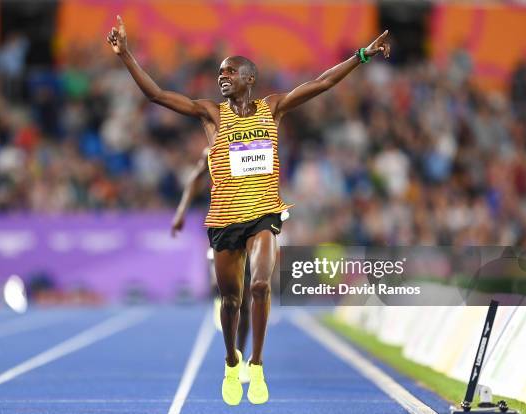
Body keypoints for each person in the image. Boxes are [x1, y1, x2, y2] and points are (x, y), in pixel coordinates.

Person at [107, 16, 390, 405]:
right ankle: (231, 360)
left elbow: (322, 82)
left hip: (263, 215)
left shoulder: (273, 108)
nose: (222, 77)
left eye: (230, 72)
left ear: (249, 79)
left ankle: (256, 364)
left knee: (259, 284)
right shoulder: (211, 114)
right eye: (220, 73)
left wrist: (361, 55)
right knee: (231, 302)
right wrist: (126, 56)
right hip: (225, 221)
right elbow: (157, 95)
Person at [170, 147, 252, 384]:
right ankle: (221, 296)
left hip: (251, 226)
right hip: (222, 227)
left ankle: (240, 356)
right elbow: (195, 178)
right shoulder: (214, 150)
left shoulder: (254, 142)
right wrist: (182, 210)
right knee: (226, 288)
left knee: (245, 300)